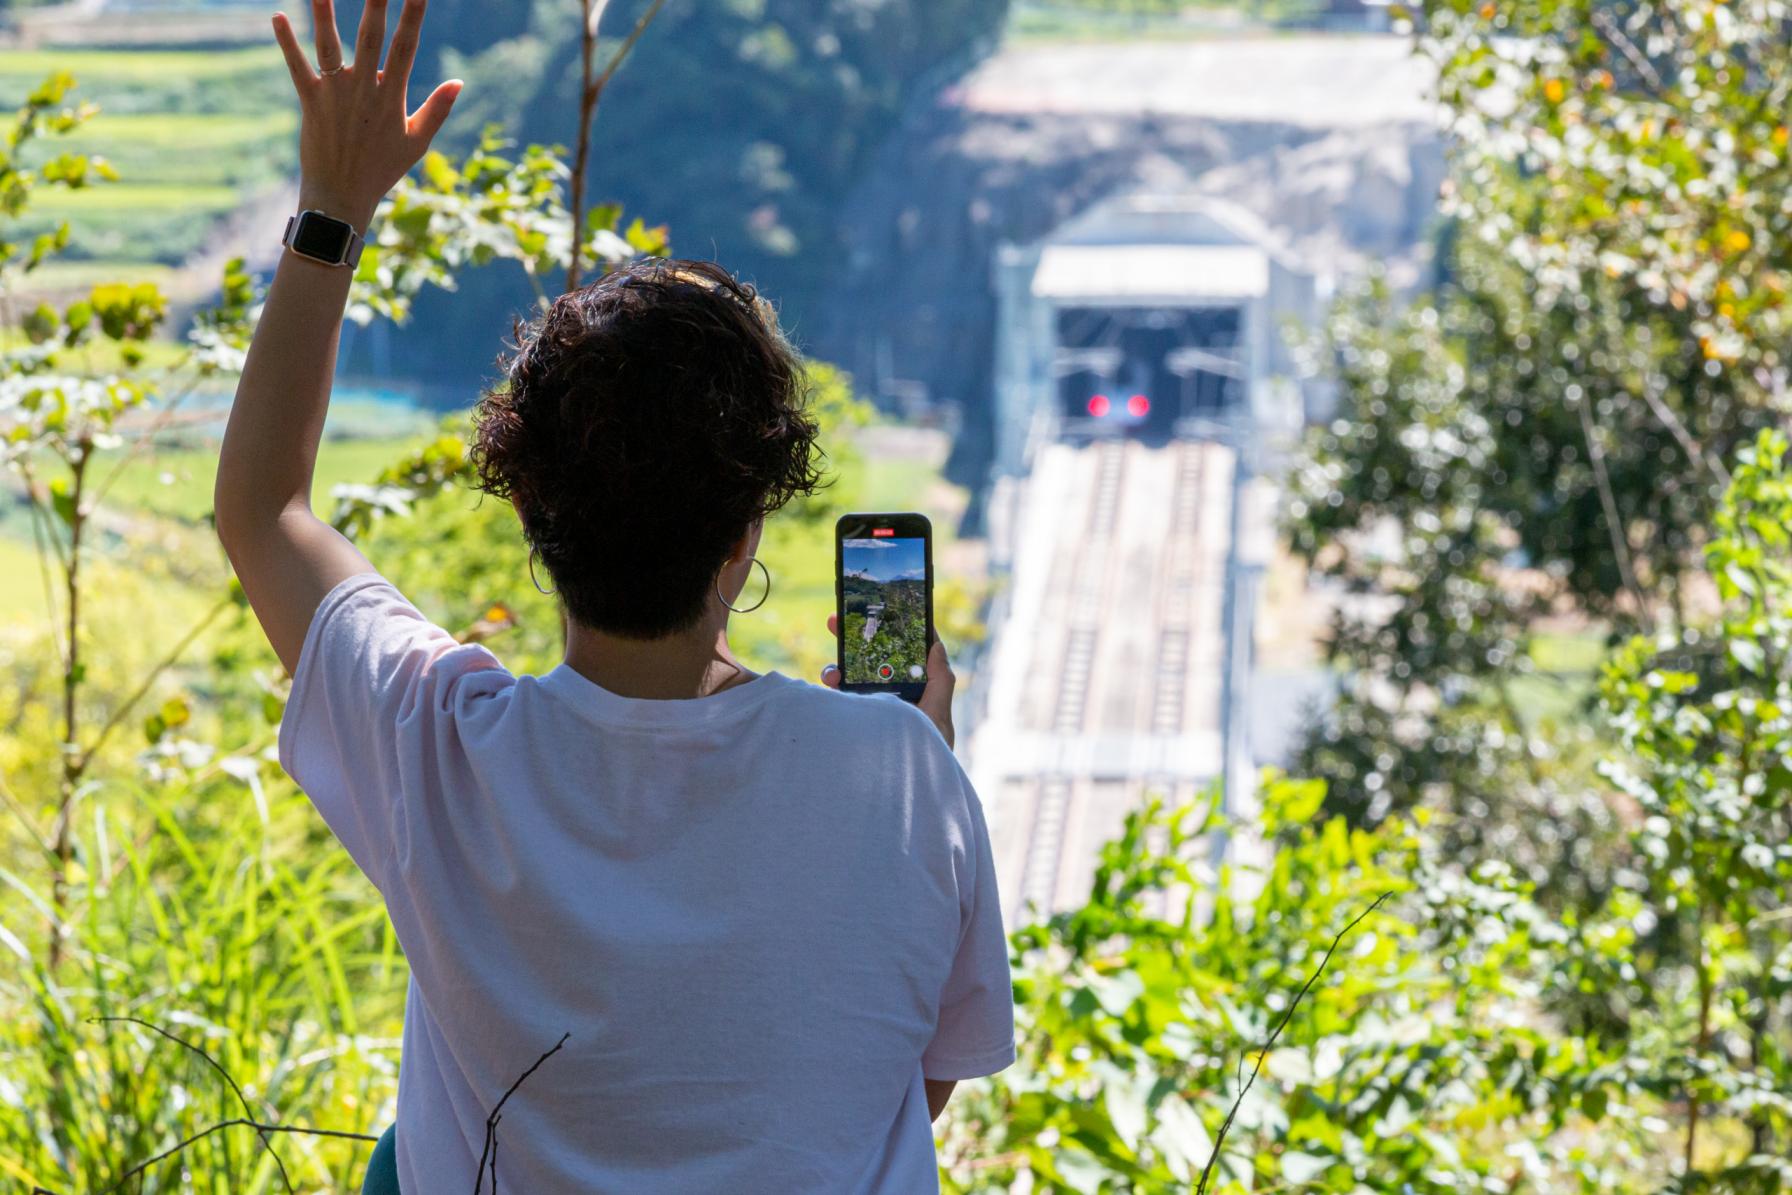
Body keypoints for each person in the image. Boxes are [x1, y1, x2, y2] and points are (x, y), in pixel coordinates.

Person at [214, 1, 1016, 1191]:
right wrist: (917, 752)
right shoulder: (894, 768)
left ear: (532, 510)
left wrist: (334, 206)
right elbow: (902, 1086)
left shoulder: (432, 747)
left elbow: (261, 510)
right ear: (747, 531)